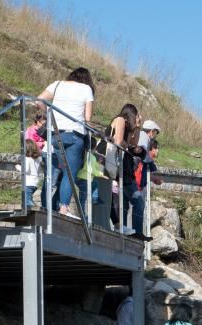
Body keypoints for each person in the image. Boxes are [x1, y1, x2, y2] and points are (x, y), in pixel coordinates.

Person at [38, 67, 95, 217]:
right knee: (69, 174)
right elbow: (88, 118)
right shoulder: (86, 89)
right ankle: (63, 208)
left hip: (56, 134)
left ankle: (48, 206)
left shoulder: (57, 84)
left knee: (59, 171)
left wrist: (49, 115)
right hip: (74, 135)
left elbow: (39, 100)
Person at [109, 103, 144, 236]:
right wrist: (129, 145)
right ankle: (121, 229)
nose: (137, 118)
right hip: (111, 163)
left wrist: (138, 128)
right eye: (136, 116)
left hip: (122, 167)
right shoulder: (119, 120)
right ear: (131, 114)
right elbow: (119, 142)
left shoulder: (129, 128)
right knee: (127, 200)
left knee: (135, 201)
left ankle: (136, 232)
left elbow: (132, 145)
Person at [21, 140, 42, 209]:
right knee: (28, 198)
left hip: (28, 182)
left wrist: (18, 167)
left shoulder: (27, 158)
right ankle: (32, 208)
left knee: (27, 201)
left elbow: (25, 169)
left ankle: (34, 209)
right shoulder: (38, 158)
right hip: (35, 182)